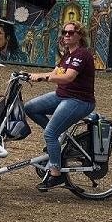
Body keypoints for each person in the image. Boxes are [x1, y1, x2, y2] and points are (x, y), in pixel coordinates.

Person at [24, 21, 96, 191]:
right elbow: (54, 73)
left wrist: (42, 77)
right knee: (30, 107)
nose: (67, 35)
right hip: (61, 96)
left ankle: (56, 173)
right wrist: (29, 75)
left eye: (71, 32)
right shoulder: (67, 54)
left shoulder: (82, 54)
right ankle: (57, 137)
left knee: (49, 134)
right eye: (65, 32)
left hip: (79, 100)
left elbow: (68, 77)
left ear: (80, 35)